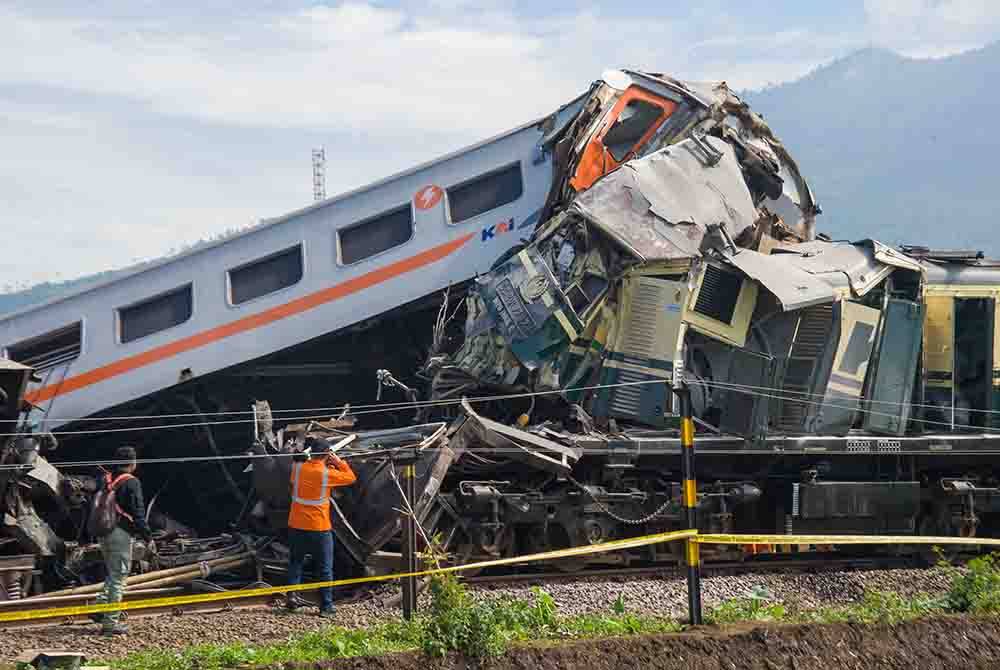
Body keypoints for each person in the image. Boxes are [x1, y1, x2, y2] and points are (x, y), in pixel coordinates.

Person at [286, 437, 356, 617]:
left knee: (296, 562)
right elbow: (351, 478)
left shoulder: (298, 469)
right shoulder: (327, 474)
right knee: (324, 567)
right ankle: (326, 606)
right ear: (327, 454)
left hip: (296, 525)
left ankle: (292, 596)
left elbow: (299, 468)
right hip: (319, 527)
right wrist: (339, 463)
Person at [94, 445, 154, 636]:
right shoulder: (131, 482)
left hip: (102, 531)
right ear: (133, 463)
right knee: (119, 577)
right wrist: (148, 537)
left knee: (112, 573)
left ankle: (99, 608)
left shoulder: (104, 479)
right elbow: (138, 513)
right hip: (120, 533)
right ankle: (111, 624)